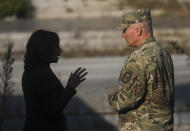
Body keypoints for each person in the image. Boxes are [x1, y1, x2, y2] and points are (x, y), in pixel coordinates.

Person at [108, 9, 174, 131]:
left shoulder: (139, 58)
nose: (123, 34)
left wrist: (112, 97)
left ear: (138, 31)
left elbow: (124, 101)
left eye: (125, 30)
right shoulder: (163, 53)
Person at [22, 29, 88, 131]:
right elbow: (53, 110)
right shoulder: (42, 74)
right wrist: (70, 87)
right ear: (45, 49)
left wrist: (69, 86)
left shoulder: (31, 71)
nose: (60, 50)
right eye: (56, 47)